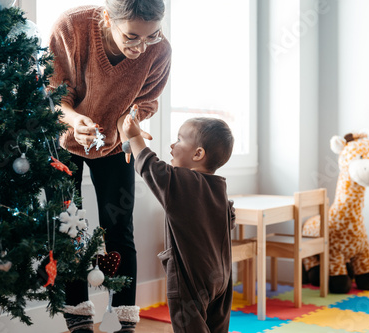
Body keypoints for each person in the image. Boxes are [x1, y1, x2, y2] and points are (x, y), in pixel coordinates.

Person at [47, 0, 171, 332]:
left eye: (152, 35)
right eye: (132, 37)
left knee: (119, 231)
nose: (141, 47)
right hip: (63, 140)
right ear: (107, 18)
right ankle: (78, 320)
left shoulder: (159, 52)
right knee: (68, 229)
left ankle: (123, 320)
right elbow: (53, 92)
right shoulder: (72, 26)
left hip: (114, 144)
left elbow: (147, 101)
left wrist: (126, 121)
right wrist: (75, 121)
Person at [123, 115, 236, 333]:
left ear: (198, 154)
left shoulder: (181, 182)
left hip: (191, 279)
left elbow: (150, 167)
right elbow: (228, 220)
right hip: (221, 277)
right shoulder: (219, 187)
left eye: (179, 139)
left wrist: (135, 136)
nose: (172, 145)